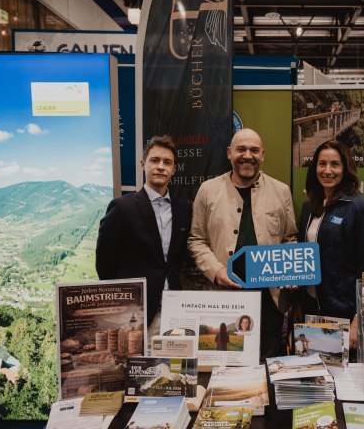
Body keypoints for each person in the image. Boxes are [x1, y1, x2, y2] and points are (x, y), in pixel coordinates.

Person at [188, 128, 297, 359]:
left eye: (254, 150)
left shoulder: (281, 191)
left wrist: (290, 272)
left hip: (270, 300)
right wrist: (216, 271)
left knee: (268, 360)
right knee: (225, 361)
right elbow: (196, 240)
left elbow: (290, 239)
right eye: (241, 149)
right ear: (229, 153)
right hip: (223, 296)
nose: (248, 155)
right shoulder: (207, 191)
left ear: (263, 155)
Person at [96, 136, 192, 322]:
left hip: (174, 307)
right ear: (143, 164)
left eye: (167, 162)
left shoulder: (184, 209)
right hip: (135, 309)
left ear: (173, 169)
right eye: (154, 160)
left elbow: (177, 259)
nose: (160, 166)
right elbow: (105, 264)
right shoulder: (122, 207)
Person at [297, 140, 364, 320]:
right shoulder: (309, 205)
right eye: (322, 164)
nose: (327, 171)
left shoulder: (360, 207)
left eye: (335, 164)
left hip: (343, 310)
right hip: (310, 306)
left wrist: (360, 317)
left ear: (346, 168)